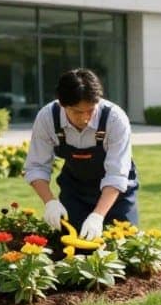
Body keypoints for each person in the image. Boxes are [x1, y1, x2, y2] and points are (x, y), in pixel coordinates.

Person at [24, 69, 138, 241]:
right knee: (72, 246)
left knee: (124, 248)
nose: (85, 118)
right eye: (78, 111)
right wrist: (50, 202)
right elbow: (36, 166)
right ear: (63, 105)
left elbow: (116, 174)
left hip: (116, 196)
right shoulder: (47, 118)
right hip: (75, 191)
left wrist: (97, 216)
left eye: (91, 110)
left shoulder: (115, 119)